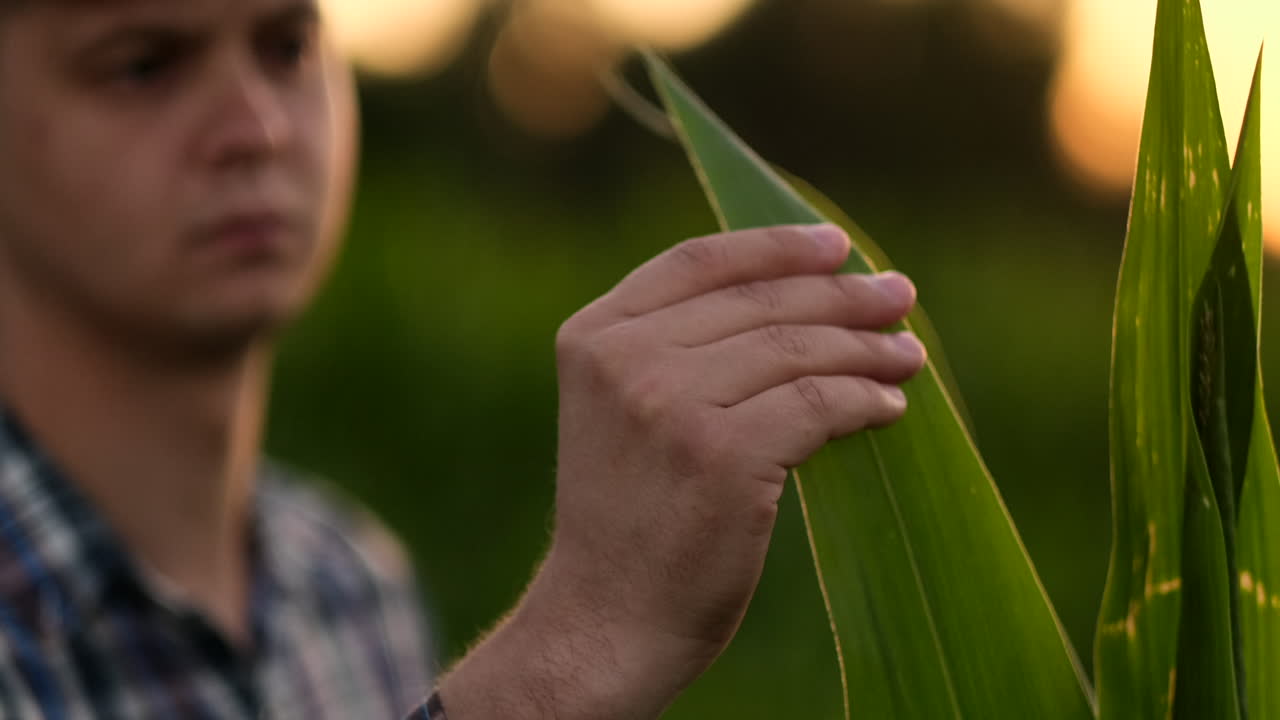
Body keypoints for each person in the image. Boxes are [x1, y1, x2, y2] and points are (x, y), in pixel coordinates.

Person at [0, 0, 927, 718]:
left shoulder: (349, 584)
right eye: (143, 65)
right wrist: (577, 650)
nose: (260, 130)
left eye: (287, 46)